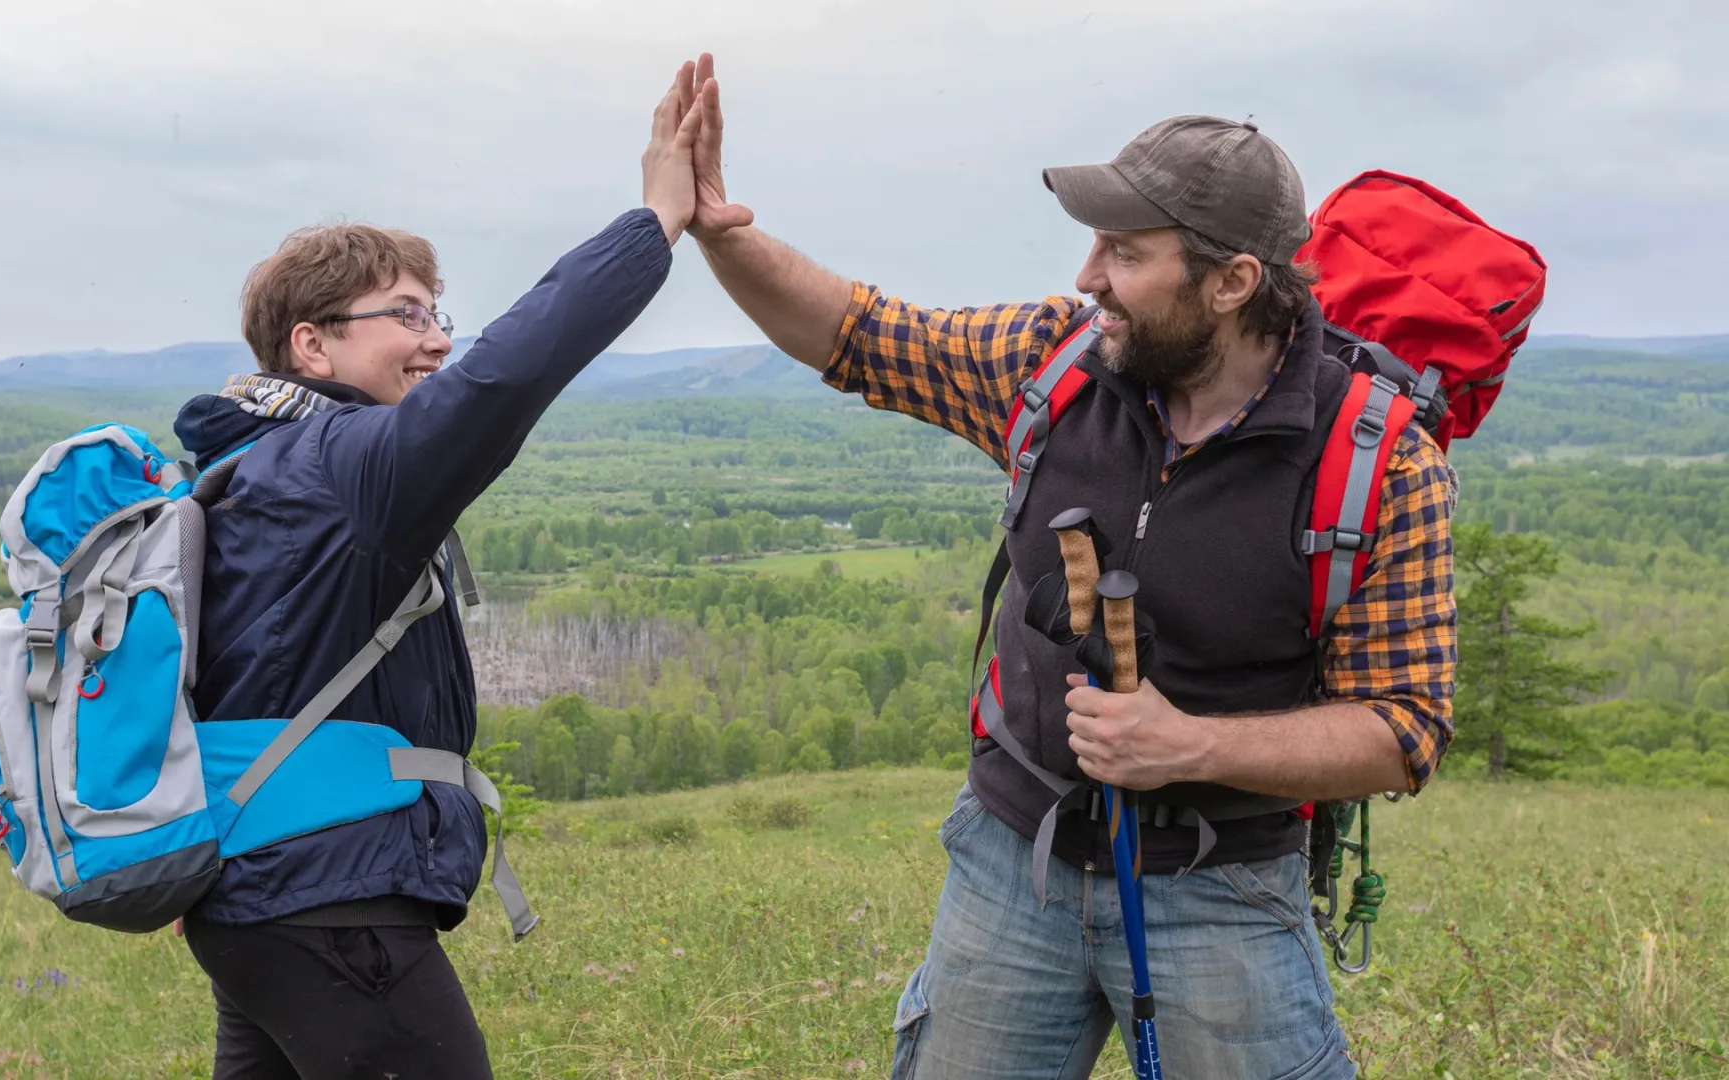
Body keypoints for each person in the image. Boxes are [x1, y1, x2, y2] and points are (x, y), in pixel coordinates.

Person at [675, 55, 1456, 1080]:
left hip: (1223, 889)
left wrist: (1188, 745)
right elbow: (860, 335)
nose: (1089, 276)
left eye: (1126, 253)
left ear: (1232, 283)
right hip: (1012, 864)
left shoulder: (1382, 462)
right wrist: (720, 234)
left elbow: (1403, 730)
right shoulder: (1055, 362)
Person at [167, 61, 707, 1079]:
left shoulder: (250, 469)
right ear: (312, 346)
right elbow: (510, 375)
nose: (438, 341)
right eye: (407, 316)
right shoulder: (339, 467)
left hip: (258, 894)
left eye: (437, 314)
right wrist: (655, 224)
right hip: (329, 904)